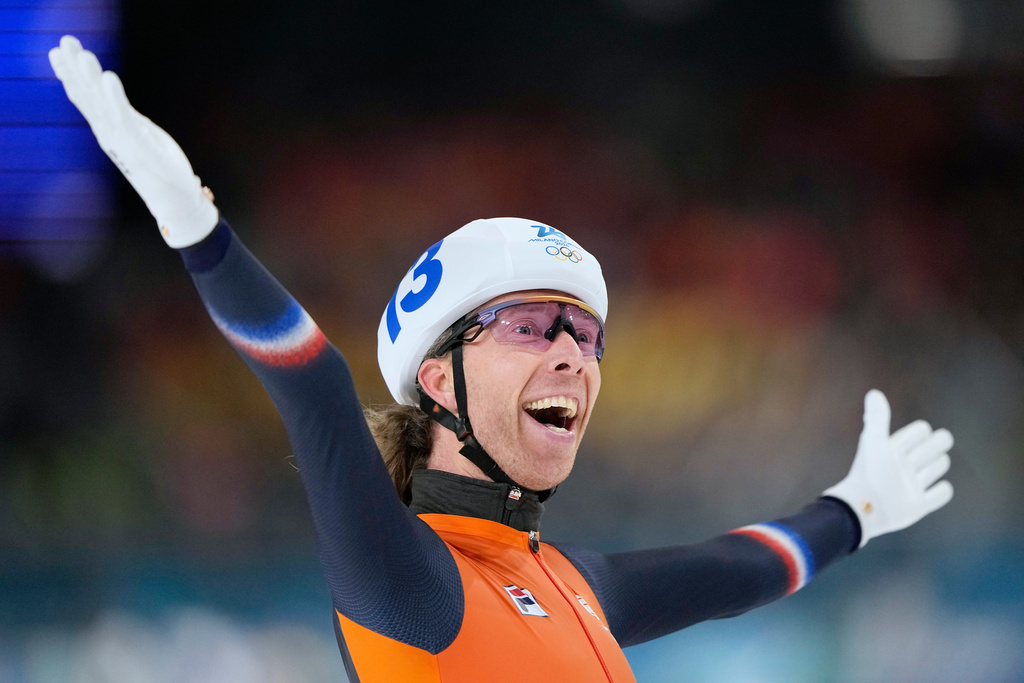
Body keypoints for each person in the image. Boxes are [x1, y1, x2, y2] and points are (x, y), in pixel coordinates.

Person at [49, 35, 955, 682]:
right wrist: (197, 229)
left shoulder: (579, 584)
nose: (572, 354)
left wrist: (856, 509)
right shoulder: (408, 584)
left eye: (586, 334)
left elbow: (740, 568)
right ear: (436, 378)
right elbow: (317, 388)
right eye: (529, 325)